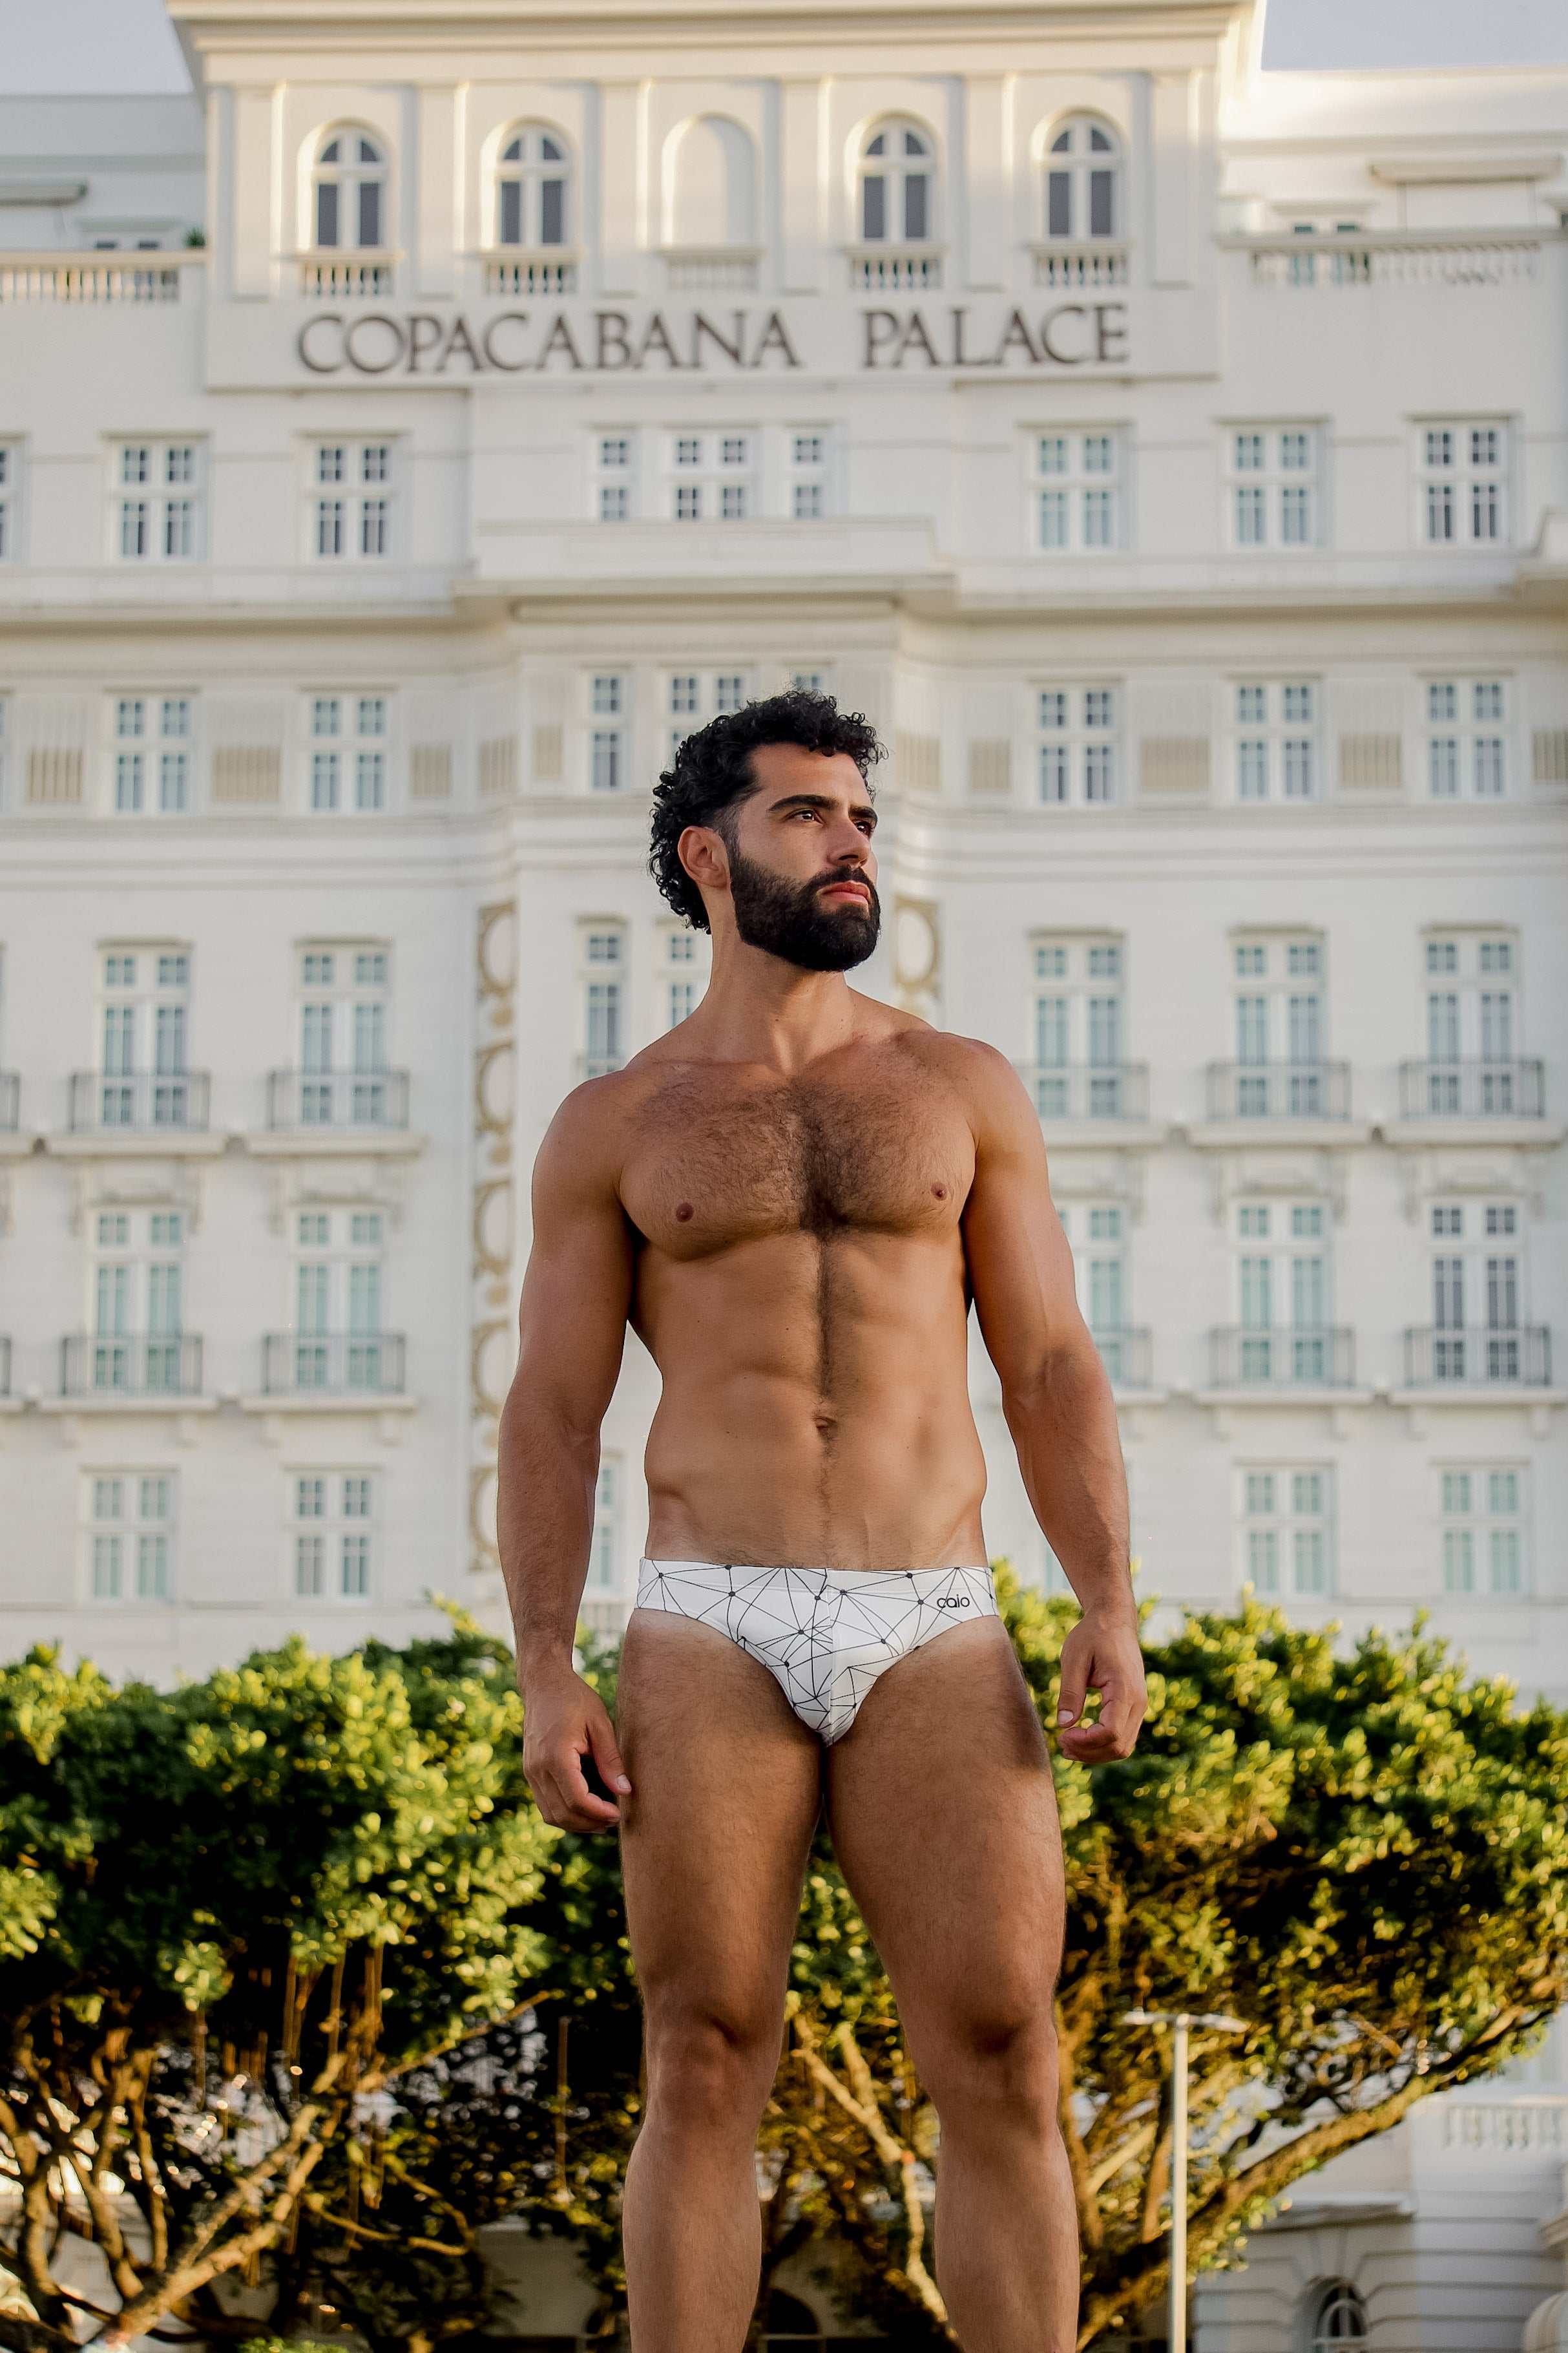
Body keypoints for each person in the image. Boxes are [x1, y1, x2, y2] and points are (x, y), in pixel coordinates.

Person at [497, 688, 1146, 2353]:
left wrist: (1107, 1600)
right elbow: (554, 1411)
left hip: (935, 1614)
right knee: (705, 2055)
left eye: (860, 815)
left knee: (1004, 2051)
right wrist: (546, 1667)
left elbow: (1049, 1361)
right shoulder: (618, 1122)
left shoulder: (959, 1086)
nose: (851, 842)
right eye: (807, 815)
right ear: (710, 857)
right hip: (710, 1613)